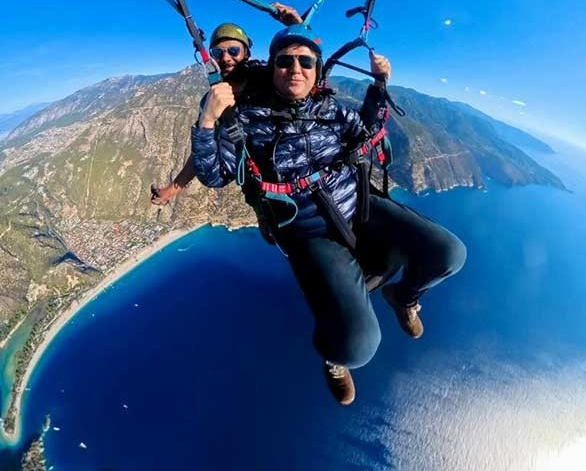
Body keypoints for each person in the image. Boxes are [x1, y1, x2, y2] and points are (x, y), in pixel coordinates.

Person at [190, 25, 467, 406]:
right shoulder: (246, 120)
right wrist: (208, 121)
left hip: (358, 206)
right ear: (272, 67)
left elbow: (367, 129)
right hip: (308, 230)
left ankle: (403, 297)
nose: (295, 68)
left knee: (449, 253)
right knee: (358, 346)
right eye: (285, 61)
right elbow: (214, 174)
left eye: (306, 61)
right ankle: (336, 362)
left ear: (317, 70)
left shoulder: (330, 109)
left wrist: (379, 86)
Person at [149, 4, 304, 206]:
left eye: (233, 50)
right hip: (271, 200)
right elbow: (205, 151)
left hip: (303, 177)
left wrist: (298, 29)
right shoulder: (213, 99)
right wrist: (173, 189)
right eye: (217, 52)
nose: (226, 58)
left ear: (246, 53)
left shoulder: (269, 78)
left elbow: (305, 74)